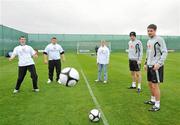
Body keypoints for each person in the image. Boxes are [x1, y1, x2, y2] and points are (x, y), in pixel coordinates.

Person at [144, 24, 168, 111]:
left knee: (155, 85)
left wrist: (159, 63)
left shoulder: (159, 39)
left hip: (156, 67)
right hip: (149, 66)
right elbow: (148, 53)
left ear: (155, 31)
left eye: (151, 31)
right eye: (148, 31)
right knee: (150, 84)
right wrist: (146, 63)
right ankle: (153, 100)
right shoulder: (149, 41)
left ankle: (157, 105)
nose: (149, 32)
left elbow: (165, 52)